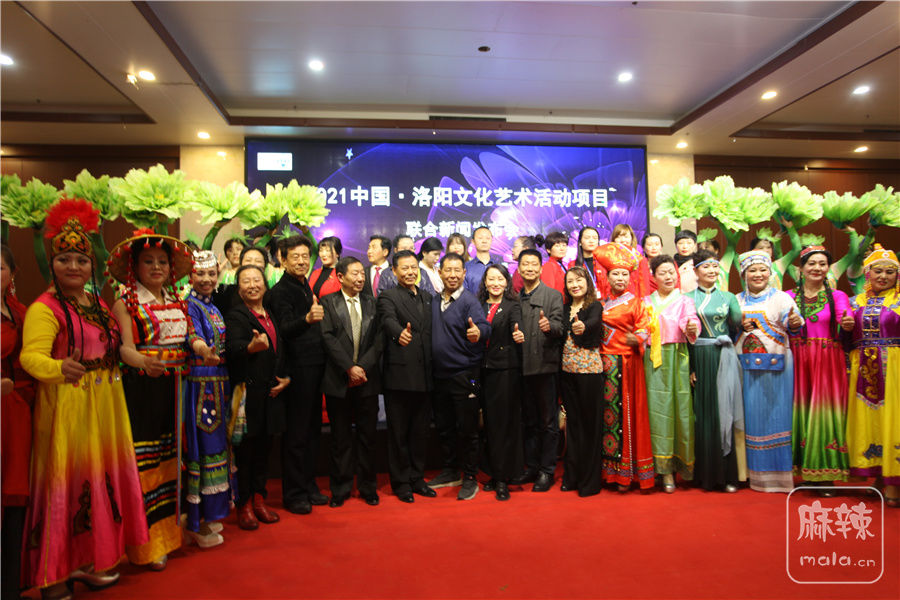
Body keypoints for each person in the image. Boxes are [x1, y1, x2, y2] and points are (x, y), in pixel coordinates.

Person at [21, 199, 147, 599]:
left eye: (81, 260)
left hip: (106, 405)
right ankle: (55, 574)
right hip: (68, 409)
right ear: (52, 264)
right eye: (64, 259)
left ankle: (89, 561)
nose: (73, 266)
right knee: (67, 485)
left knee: (99, 481)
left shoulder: (97, 303)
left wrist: (142, 359)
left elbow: (115, 347)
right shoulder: (45, 308)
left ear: (92, 266)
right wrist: (59, 368)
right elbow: (30, 358)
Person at [108, 227, 194, 570]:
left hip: (176, 388)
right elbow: (124, 349)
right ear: (135, 267)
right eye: (148, 261)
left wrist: (201, 349)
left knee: (172, 458)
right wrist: (145, 362)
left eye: (162, 261)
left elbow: (186, 341)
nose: (157, 267)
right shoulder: (126, 303)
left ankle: (170, 535)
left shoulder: (177, 302)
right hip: (142, 389)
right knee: (146, 464)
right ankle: (146, 544)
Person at [265, 235, 329, 515]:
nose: (302, 261)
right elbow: (282, 331)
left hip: (315, 368)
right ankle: (294, 494)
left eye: (305, 256)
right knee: (296, 434)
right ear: (282, 259)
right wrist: (307, 319)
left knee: (312, 431)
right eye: (295, 257)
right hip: (296, 372)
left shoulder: (305, 286)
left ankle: (309, 485)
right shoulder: (279, 292)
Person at [225, 265, 290, 529]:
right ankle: (244, 505)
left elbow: (280, 351)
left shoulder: (270, 313)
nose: (252, 285)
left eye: (256, 280)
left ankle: (260, 499)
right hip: (248, 395)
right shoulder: (236, 315)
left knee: (264, 451)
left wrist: (286, 378)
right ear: (239, 288)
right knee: (246, 453)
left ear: (265, 284)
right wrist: (250, 347)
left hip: (271, 395)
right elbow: (233, 349)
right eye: (246, 281)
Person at [736, 250, 803, 493]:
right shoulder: (737, 300)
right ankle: (751, 475)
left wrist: (794, 323)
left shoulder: (782, 298)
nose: (758, 274)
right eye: (752, 270)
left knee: (778, 417)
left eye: (762, 270)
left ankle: (779, 477)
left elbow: (794, 323)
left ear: (770, 273)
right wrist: (738, 326)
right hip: (746, 371)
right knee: (750, 419)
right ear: (744, 274)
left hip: (778, 369)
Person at [426, 253, 490, 500]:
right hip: (439, 376)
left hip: (465, 375)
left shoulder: (469, 301)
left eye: (457, 271)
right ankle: (450, 471)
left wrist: (478, 332)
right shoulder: (434, 301)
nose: (452, 275)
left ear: (464, 273)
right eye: (448, 270)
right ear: (439, 272)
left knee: (468, 429)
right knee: (445, 427)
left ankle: (470, 476)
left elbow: (484, 326)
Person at [320, 257, 384, 507]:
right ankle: (341, 488)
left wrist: (361, 368)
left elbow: (379, 340)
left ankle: (368, 487)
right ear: (340, 277)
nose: (360, 278)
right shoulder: (328, 302)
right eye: (355, 274)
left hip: (367, 380)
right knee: (341, 439)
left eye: (362, 274)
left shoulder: (372, 302)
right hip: (338, 380)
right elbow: (327, 338)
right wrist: (349, 367)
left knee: (368, 438)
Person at [787, 246, 850, 489]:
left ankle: (825, 474)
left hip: (827, 361)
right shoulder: (788, 296)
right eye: (812, 263)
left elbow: (845, 318)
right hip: (798, 360)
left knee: (823, 414)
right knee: (799, 412)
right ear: (801, 268)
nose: (817, 268)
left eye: (822, 264)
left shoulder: (838, 296)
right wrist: (791, 324)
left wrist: (848, 323)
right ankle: (802, 470)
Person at [842, 244, 900, 507]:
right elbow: (845, 341)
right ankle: (877, 476)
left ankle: (894, 482)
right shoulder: (855, 303)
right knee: (870, 421)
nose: (884, 276)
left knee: (893, 420)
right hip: (863, 371)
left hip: (894, 371)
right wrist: (845, 329)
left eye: (890, 272)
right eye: (878, 271)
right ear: (867, 273)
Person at [594, 243, 655, 492]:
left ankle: (626, 474)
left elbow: (645, 327)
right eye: (615, 274)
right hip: (603, 365)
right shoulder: (601, 302)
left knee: (626, 417)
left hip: (626, 366)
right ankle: (609, 472)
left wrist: (637, 338)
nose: (620, 278)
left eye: (624, 274)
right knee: (608, 418)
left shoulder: (636, 303)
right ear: (607, 277)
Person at [377, 250, 436, 503]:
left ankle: (417, 478)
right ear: (394, 271)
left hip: (425, 375)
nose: (411, 272)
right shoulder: (387, 297)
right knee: (399, 433)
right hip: (400, 376)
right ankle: (401, 482)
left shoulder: (427, 297)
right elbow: (387, 320)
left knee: (420, 433)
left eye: (414, 268)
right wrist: (398, 333)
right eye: (405, 268)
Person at [183, 250, 232, 547]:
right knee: (203, 449)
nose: (206, 279)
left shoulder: (211, 305)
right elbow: (194, 337)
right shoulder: (190, 305)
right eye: (200, 274)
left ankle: (207, 515)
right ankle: (196, 521)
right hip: (201, 384)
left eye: (211, 274)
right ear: (190, 276)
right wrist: (204, 351)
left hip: (217, 382)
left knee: (216, 446)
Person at [685, 249, 745, 493]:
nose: (711, 271)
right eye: (706, 267)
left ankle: (727, 474)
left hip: (723, 356)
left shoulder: (728, 297)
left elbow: (738, 324)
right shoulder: (686, 298)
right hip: (699, 356)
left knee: (724, 411)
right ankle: (704, 474)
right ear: (696, 271)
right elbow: (683, 337)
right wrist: (690, 367)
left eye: (715, 266)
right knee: (702, 414)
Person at [644, 255, 700, 492]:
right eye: (662, 273)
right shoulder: (645, 301)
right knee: (655, 412)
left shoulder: (685, 300)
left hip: (677, 358)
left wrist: (691, 327)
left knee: (678, 411)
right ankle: (658, 468)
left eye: (671, 272)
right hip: (651, 360)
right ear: (654, 276)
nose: (668, 277)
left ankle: (674, 468)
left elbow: (691, 321)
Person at [513, 249, 564, 491]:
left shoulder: (553, 296)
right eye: (525, 264)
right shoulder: (515, 298)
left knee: (548, 422)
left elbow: (560, 327)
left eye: (534, 264)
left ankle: (547, 470)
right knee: (529, 421)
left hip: (545, 366)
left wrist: (549, 326)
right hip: (521, 368)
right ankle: (531, 467)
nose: (530, 268)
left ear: (541, 269)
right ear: (519, 269)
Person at [1, 244, 36, 600]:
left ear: (12, 274)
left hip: (18, 411)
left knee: (15, 496)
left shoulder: (22, 312)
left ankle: (12, 583)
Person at [478, 264, 525, 501]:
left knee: (504, 424)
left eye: (500, 279)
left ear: (507, 282)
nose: (495, 283)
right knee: (489, 425)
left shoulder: (512, 306)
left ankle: (504, 478)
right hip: (481, 371)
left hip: (505, 370)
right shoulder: (478, 305)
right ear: (485, 282)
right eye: (491, 279)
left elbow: (517, 326)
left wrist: (519, 334)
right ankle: (494, 473)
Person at [559, 266, 606, 497]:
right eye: (570, 281)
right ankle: (572, 477)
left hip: (590, 373)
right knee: (573, 427)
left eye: (579, 280)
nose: (575, 285)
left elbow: (594, 322)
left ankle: (590, 481)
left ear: (587, 282)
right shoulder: (564, 308)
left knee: (590, 427)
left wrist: (582, 326)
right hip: (567, 373)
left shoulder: (594, 306)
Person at [463, 226, 502, 293]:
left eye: (488, 238)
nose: (484, 241)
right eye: (480, 238)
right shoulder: (466, 267)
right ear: (473, 241)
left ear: (492, 240)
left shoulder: (499, 266)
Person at [539, 231, 568, 297]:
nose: (562, 249)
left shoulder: (561, 265)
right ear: (548, 250)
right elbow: (548, 293)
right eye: (557, 246)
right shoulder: (548, 266)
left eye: (564, 245)